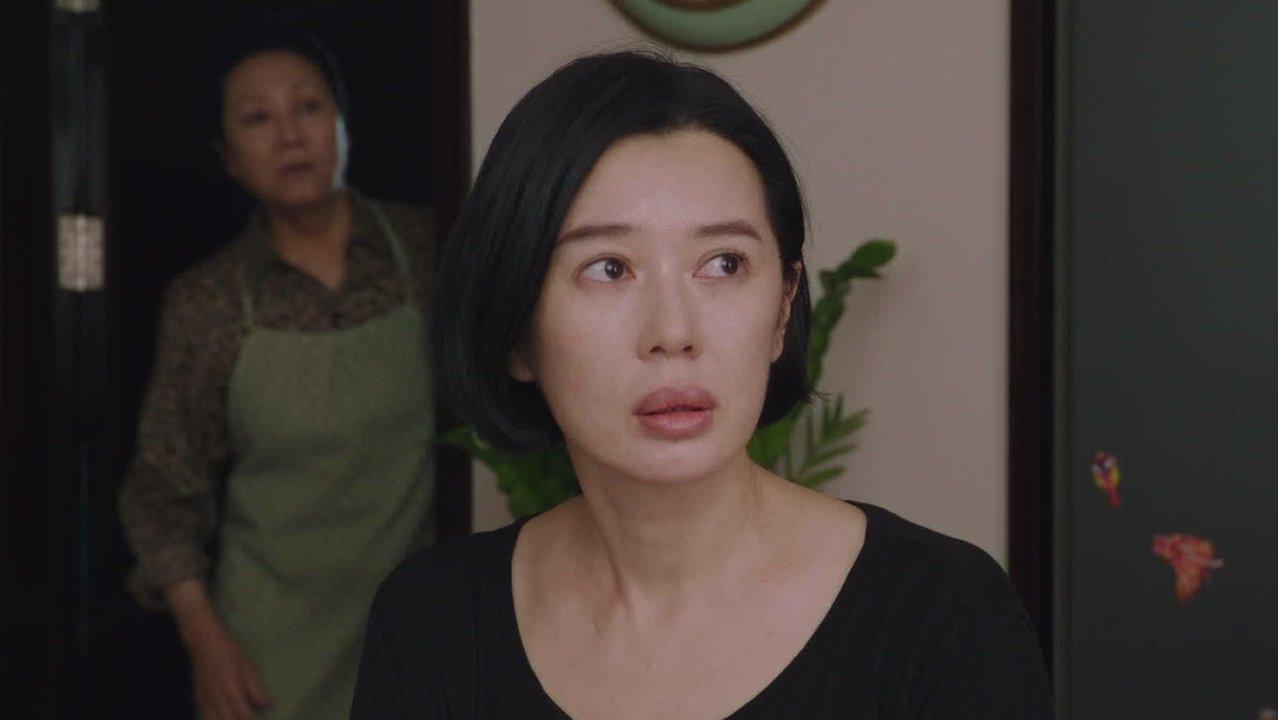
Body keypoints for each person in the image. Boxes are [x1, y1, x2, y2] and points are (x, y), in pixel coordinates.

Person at [351, 51, 1053, 719]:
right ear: (515, 330)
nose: (673, 331)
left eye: (723, 264)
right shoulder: (432, 624)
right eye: (609, 269)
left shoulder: (943, 618)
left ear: (783, 309)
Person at [118, 21, 436, 720]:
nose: (290, 135)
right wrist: (205, 642)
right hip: (269, 650)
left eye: (308, 107)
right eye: (257, 118)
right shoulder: (206, 302)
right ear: (228, 157)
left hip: (418, 630)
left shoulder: (427, 252)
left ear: (343, 124)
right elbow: (163, 492)